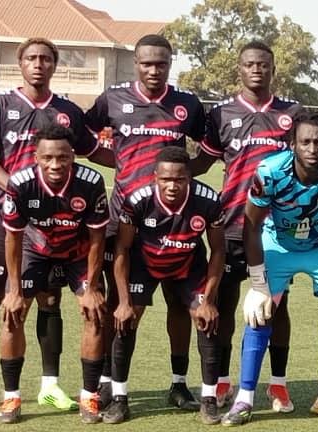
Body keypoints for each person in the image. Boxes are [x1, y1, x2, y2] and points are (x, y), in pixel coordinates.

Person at [0, 37, 111, 414]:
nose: (39, 64)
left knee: (50, 297)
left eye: (46, 58)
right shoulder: (0, 104)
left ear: (54, 65)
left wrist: (141, 164)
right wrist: (15, 187)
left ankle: (50, 385)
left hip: (59, 216)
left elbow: (93, 151)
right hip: (8, 212)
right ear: (21, 63)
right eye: (31, 58)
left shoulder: (67, 110)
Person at [220, 111, 318, 430]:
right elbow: (251, 226)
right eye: (305, 142)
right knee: (259, 314)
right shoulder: (270, 170)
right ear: (293, 144)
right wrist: (258, 283)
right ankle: (244, 398)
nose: (312, 148)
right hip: (278, 243)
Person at [84, 34, 207, 411]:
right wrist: (118, 160)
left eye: (162, 64)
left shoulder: (187, 104)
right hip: (124, 219)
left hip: (174, 222)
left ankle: (179, 384)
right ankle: (110, 383)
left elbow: (210, 147)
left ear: (170, 65)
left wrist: (185, 174)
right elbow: (84, 136)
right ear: (136, 64)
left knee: (178, 302)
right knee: (120, 303)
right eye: (147, 63)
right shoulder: (113, 98)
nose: (154, 70)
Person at [190, 40, 303, 411]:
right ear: (239, 69)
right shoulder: (221, 114)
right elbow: (201, 164)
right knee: (223, 303)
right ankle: (222, 380)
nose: (257, 70)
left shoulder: (292, 113)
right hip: (231, 224)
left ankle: (278, 383)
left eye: (263, 64)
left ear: (273, 69)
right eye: (250, 64)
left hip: (276, 230)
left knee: (276, 306)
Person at [0, 125, 109, 423]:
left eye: (62, 157)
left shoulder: (91, 182)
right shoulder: (20, 183)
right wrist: (14, 291)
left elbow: (98, 238)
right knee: (12, 314)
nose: (55, 164)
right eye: (47, 158)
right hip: (35, 250)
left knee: (95, 313)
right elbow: (12, 238)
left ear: (73, 156)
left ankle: (89, 397)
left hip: (78, 252)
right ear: (36, 157)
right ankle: (11, 398)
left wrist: (92, 288)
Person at [104, 147, 226, 424]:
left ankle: (203, 397)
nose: (172, 186)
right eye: (166, 180)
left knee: (206, 320)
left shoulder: (208, 200)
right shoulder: (138, 200)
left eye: (179, 180)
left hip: (188, 265)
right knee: (126, 319)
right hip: (144, 263)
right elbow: (122, 248)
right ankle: (120, 399)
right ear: (155, 178)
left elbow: (218, 250)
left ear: (189, 178)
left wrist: (208, 300)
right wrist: (123, 302)